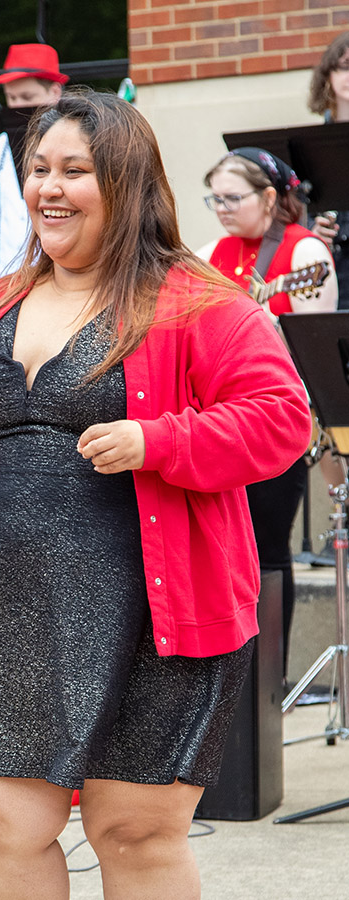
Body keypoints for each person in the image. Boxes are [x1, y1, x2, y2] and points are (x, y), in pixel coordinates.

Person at [0, 90, 310, 899]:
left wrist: (160, 440)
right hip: (3, 607)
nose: (49, 187)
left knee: (135, 834)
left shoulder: (198, 303)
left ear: (127, 184)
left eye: (74, 170)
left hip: (155, 616)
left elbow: (282, 420)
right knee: (1, 824)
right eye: (37, 169)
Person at [197, 147, 337, 668]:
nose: (223, 208)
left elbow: (310, 353)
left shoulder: (304, 256)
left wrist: (260, 323)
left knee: (269, 550)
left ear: (271, 197)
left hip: (274, 424)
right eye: (215, 198)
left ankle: (269, 676)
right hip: (215, 421)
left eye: (233, 198)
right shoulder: (210, 252)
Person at [0, 43, 67, 289]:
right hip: (6, 280)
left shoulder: (70, 144)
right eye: (11, 98)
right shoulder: (0, 148)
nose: (17, 106)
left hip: (55, 279)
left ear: (55, 92)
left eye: (27, 98)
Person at [309, 31, 349, 310]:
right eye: (345, 66)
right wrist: (312, 232)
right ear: (328, 76)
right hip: (333, 271)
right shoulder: (309, 144)